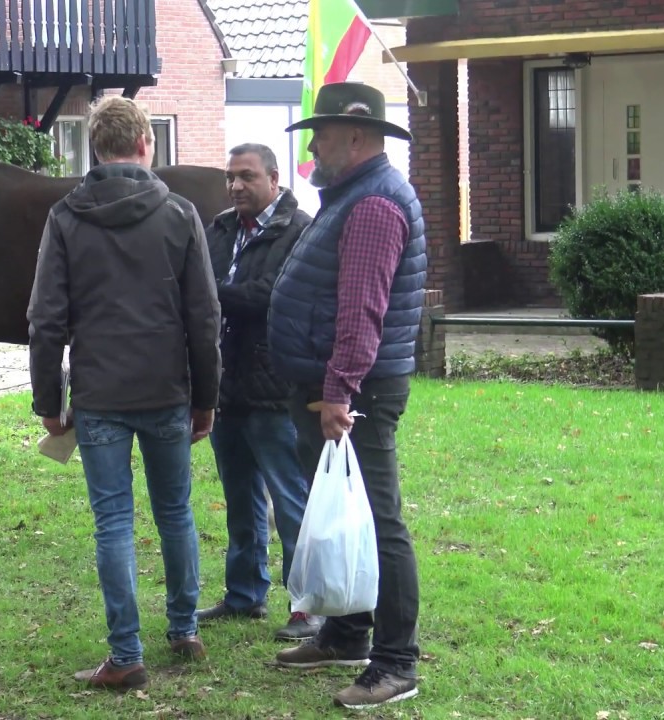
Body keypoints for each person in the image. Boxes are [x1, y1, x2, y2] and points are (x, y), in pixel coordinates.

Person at [27, 96, 222, 691]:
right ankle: (184, 627)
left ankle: (125, 652)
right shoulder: (181, 214)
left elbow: (46, 320)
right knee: (175, 511)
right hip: (166, 389)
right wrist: (206, 396)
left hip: (99, 393)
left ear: (95, 148)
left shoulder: (65, 217)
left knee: (113, 520)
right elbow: (205, 316)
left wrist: (46, 402)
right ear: (145, 144)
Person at [267, 82, 426, 709]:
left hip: (352, 391)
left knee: (377, 521)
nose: (312, 147)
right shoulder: (353, 196)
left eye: (322, 135)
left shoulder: (374, 204)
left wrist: (338, 392)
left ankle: (395, 663)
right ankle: (345, 636)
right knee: (341, 513)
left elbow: (362, 311)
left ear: (357, 137)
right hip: (333, 385)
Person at [197, 143, 320, 641]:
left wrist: (206, 293)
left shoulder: (299, 230)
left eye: (246, 176)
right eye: (230, 177)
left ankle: (308, 606)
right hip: (226, 385)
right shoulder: (222, 228)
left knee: (290, 498)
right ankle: (244, 594)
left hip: (273, 386)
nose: (235, 186)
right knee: (240, 496)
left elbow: (271, 296)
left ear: (273, 177)